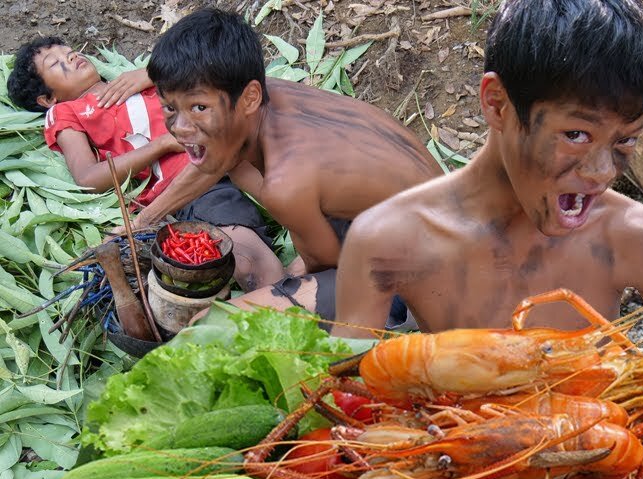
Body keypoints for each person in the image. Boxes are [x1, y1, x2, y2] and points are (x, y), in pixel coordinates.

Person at [334, 0, 643, 383]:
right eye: (576, 134)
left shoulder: (635, 237)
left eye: (625, 141)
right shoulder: (388, 242)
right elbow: (338, 402)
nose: (601, 173)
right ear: (497, 105)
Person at [140, 8, 444, 323]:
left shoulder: (285, 183)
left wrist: (282, 291)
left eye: (199, 107)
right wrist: (142, 221)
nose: (180, 127)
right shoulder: (260, 93)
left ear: (249, 98)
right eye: (169, 108)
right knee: (234, 159)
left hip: (427, 281)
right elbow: (212, 158)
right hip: (425, 218)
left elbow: (327, 267)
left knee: (217, 323)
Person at [6, 37, 284, 291]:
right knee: (246, 259)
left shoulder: (141, 79)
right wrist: (161, 144)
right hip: (188, 188)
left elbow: (212, 71)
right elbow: (89, 178)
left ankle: (305, 275)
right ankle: (287, 303)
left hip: (236, 146)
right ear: (48, 99)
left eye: (70, 52)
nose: (72, 57)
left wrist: (151, 74)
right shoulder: (66, 111)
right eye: (56, 63)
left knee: (292, 188)